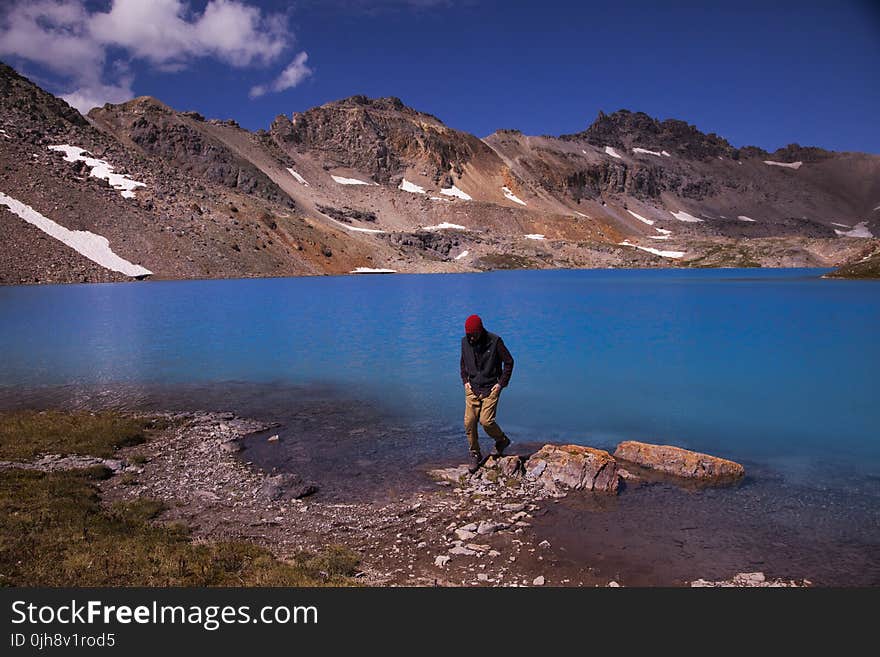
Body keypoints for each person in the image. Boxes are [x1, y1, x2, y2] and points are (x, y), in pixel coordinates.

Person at [460, 314, 514, 473]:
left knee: (486, 421)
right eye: (468, 335)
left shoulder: (495, 341)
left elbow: (509, 362)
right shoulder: (465, 342)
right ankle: (474, 453)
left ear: (480, 331)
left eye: (473, 335)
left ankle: (502, 440)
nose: (471, 338)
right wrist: (465, 382)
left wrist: (501, 384)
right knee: (469, 422)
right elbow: (462, 363)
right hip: (472, 388)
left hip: (491, 388)